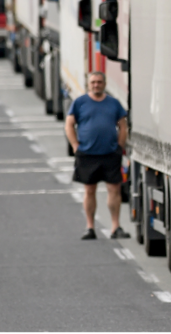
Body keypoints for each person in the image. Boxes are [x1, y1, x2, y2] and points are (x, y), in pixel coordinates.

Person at [65, 71, 130, 240]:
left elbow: (123, 126)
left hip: (110, 154)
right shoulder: (80, 103)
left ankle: (115, 227)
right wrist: (75, 145)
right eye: (93, 82)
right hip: (87, 154)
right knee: (89, 190)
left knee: (114, 189)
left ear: (105, 83)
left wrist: (120, 146)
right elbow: (69, 124)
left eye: (99, 82)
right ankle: (90, 227)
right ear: (88, 83)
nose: (96, 85)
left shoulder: (113, 103)